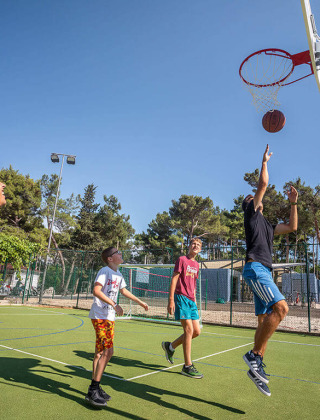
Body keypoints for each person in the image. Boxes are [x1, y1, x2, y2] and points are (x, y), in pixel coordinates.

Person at [242, 145, 298, 397]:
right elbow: (262, 186)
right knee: (282, 308)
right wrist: (263, 162)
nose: (256, 199)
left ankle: (256, 364)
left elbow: (293, 227)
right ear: (251, 205)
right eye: (252, 199)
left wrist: (293, 204)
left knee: (265, 321)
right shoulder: (252, 216)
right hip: (256, 268)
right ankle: (253, 356)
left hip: (263, 270)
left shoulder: (267, 225)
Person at [86, 247, 149, 407]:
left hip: (109, 318)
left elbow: (124, 291)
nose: (121, 254)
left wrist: (140, 302)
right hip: (100, 315)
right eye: (117, 253)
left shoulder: (119, 275)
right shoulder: (104, 271)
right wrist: (114, 304)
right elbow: (96, 290)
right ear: (110, 259)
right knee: (108, 352)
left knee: (100, 352)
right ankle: (93, 390)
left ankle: (96, 387)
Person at [162, 237, 203, 379]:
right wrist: (171, 300)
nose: (195, 246)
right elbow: (174, 279)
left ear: (200, 249)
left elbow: (194, 284)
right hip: (180, 298)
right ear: (189, 246)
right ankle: (187, 366)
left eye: (198, 245)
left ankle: (170, 347)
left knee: (196, 332)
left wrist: (195, 302)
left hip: (191, 301)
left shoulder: (197, 265)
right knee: (188, 330)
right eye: (193, 243)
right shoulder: (181, 260)